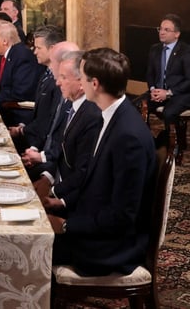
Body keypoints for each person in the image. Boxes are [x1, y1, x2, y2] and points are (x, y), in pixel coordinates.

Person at [48, 47, 158, 277]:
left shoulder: (128, 136)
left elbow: (122, 215)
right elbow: (97, 183)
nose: (80, 82)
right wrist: (63, 204)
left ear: (94, 84)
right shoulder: (110, 115)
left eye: (82, 76)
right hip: (95, 224)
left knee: (21, 249)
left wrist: (67, 226)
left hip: (112, 247)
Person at [31, 50, 100, 201]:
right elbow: (62, 154)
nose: (57, 82)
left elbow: (82, 172)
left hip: (72, 198)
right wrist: (47, 178)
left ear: (81, 83)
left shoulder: (91, 115)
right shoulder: (73, 105)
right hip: (57, 179)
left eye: (63, 77)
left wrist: (55, 195)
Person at [145, 14, 190, 144]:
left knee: (169, 112)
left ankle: (175, 146)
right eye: (160, 29)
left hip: (183, 93)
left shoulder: (187, 51)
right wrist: (153, 89)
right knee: (137, 105)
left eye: (166, 30)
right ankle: (147, 142)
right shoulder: (155, 49)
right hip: (160, 92)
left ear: (177, 34)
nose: (162, 33)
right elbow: (149, 74)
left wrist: (168, 93)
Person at [9, 26, 66, 149]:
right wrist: (22, 126)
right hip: (33, 135)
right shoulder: (46, 73)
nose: (34, 52)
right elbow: (39, 112)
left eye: (38, 48)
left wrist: (23, 132)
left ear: (52, 49)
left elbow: (48, 122)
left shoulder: (59, 82)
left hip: (41, 145)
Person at [0, 21, 40, 125]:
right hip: (0, 106)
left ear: (4, 41)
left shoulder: (23, 56)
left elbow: (19, 93)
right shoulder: (2, 55)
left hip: (13, 114)